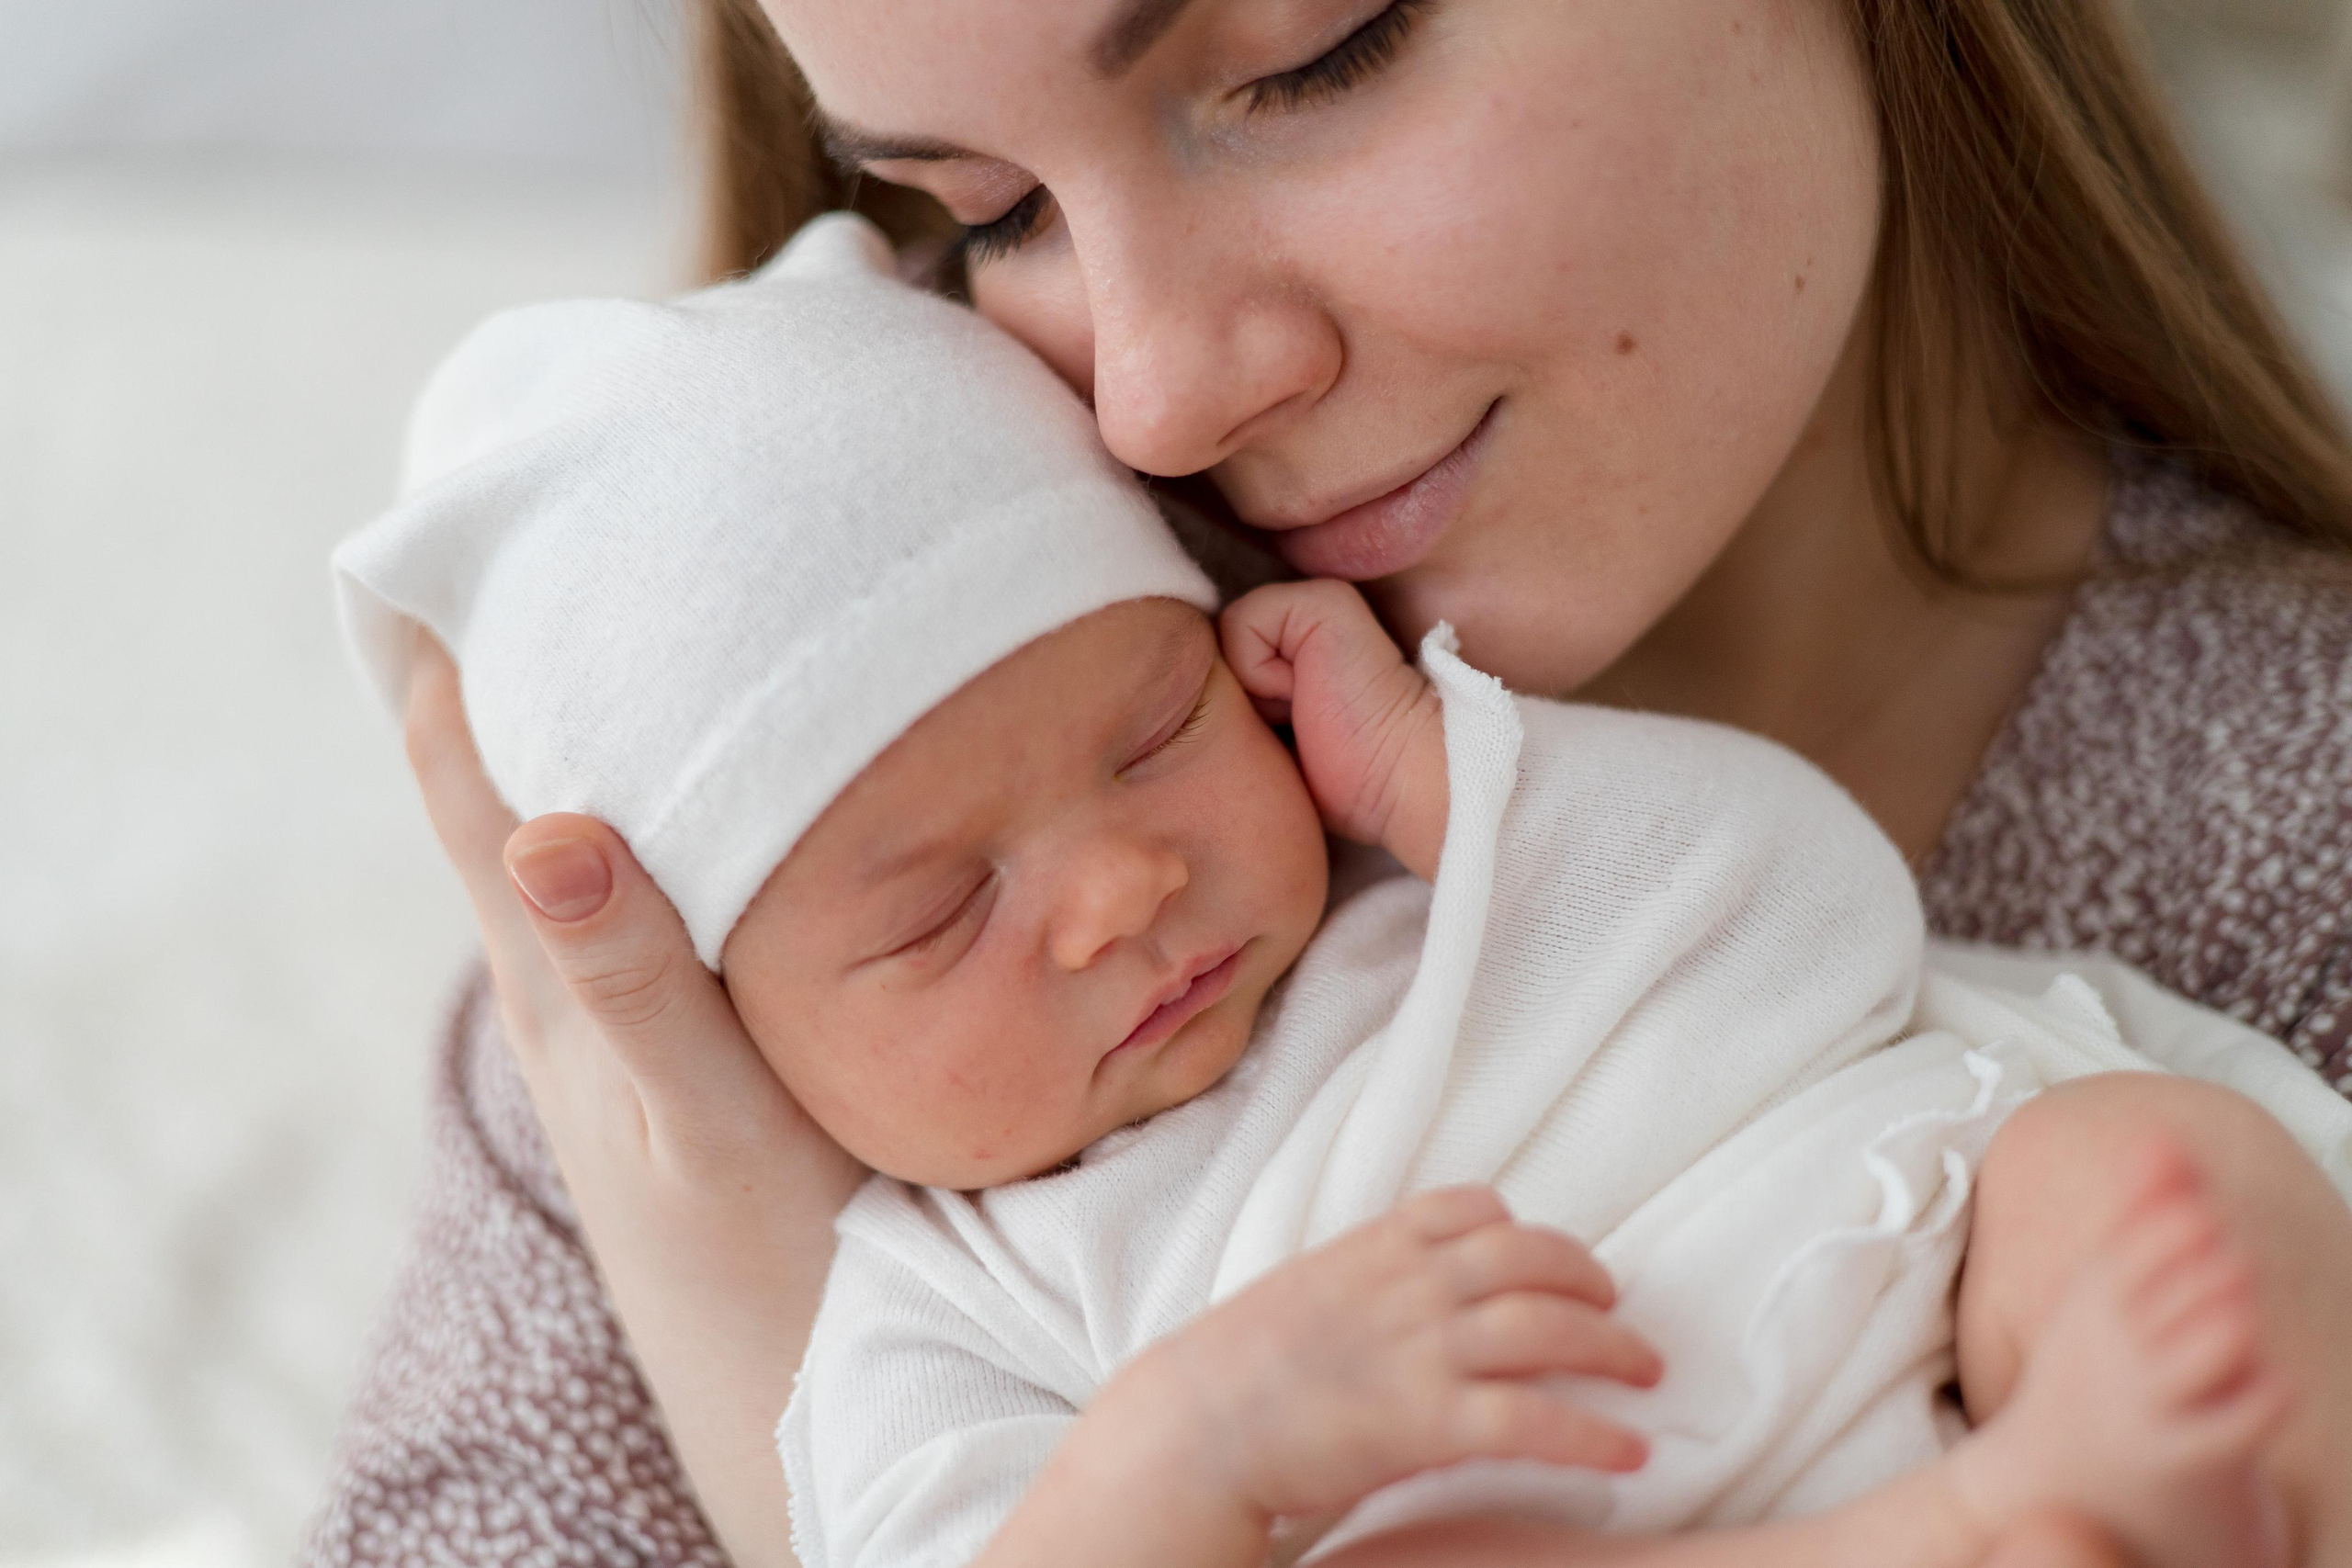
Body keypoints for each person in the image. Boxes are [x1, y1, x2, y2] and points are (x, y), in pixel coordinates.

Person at [300, 1, 2352, 1564]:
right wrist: (753, 1283)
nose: (1153, 389)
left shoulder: (2278, 811)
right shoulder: (710, 945)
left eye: (1309, 50)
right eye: (982, 212)